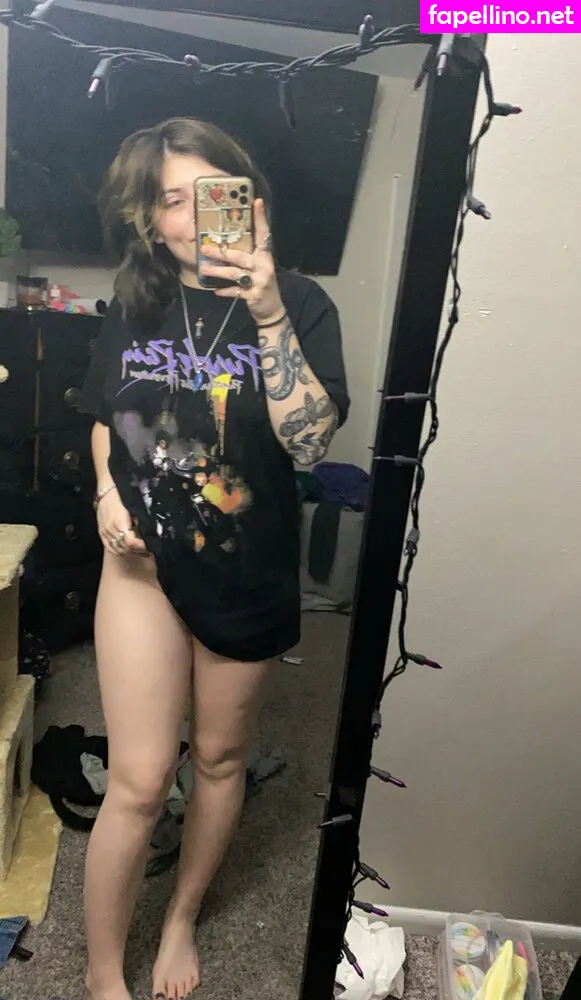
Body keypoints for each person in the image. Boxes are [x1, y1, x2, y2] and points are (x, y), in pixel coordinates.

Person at [78, 116, 350, 1000]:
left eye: (210, 194)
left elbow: (309, 442)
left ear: (249, 201)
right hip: (142, 569)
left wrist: (267, 312)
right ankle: (102, 974)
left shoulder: (300, 302)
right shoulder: (137, 300)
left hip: (246, 569)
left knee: (221, 760)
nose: (193, 217)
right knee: (138, 781)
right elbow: (104, 414)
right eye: (170, 200)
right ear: (150, 221)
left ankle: (181, 920)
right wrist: (106, 492)